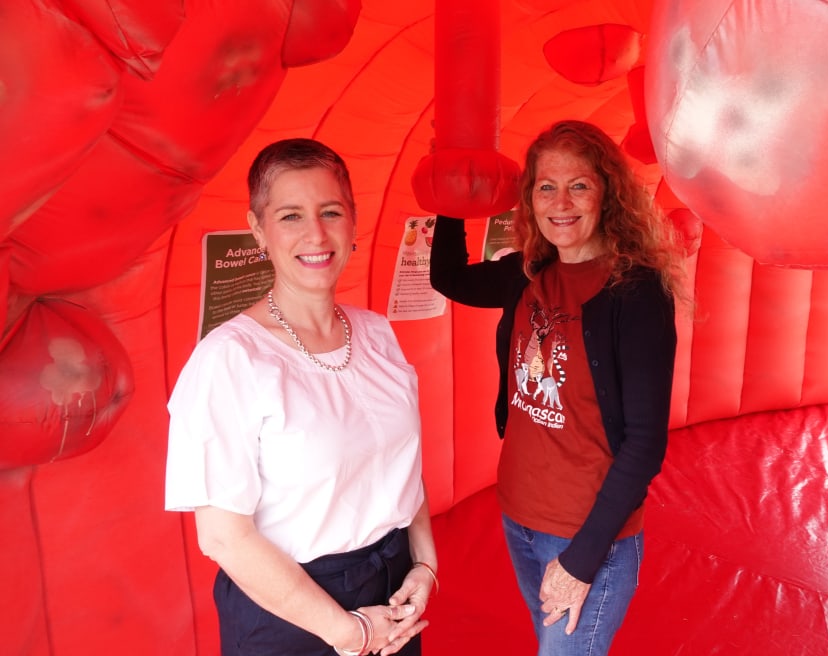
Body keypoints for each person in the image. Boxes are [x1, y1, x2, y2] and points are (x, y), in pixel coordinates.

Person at [165, 138, 437, 656]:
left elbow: (404, 462)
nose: (316, 234)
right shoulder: (230, 360)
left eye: (330, 211)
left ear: (353, 222)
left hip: (393, 588)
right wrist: (349, 632)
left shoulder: (376, 333)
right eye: (290, 215)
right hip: (289, 610)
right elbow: (223, 538)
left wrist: (425, 565)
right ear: (257, 230)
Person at [429, 119, 681, 655]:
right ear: (530, 198)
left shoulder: (635, 293)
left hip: (587, 537)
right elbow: (448, 278)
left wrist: (582, 559)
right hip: (519, 514)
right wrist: (451, 189)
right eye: (546, 186)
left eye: (579, 185)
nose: (560, 202)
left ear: (607, 193)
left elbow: (645, 443)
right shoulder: (528, 273)